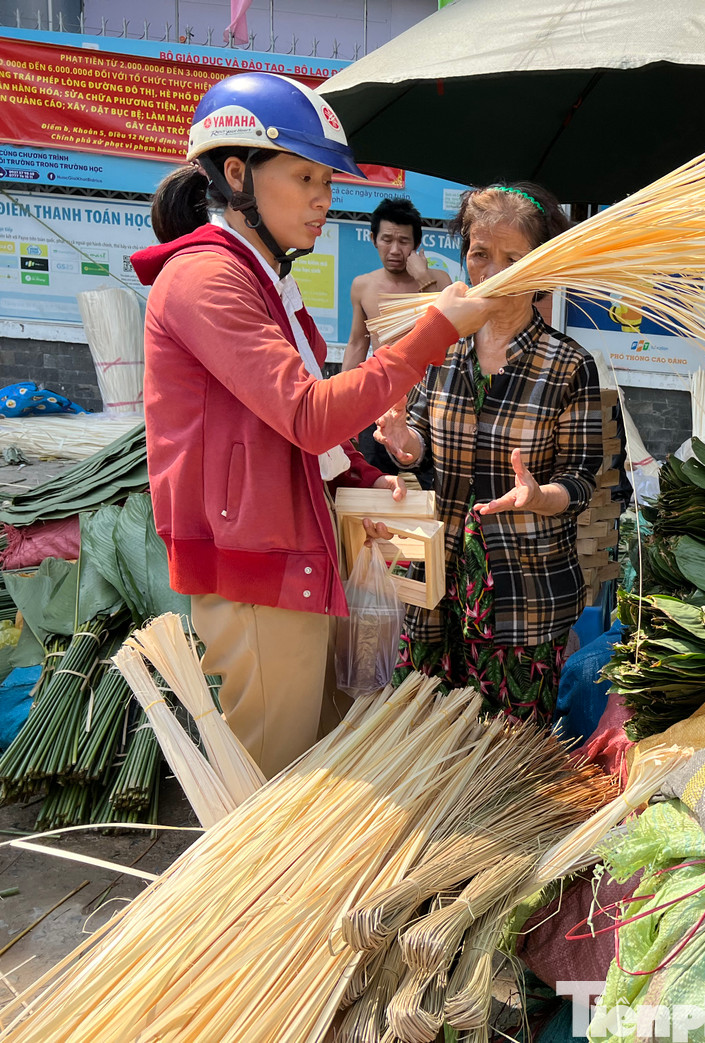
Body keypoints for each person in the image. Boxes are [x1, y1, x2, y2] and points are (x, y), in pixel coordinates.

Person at [133, 72, 499, 776]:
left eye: (327, 181)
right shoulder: (206, 278)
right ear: (236, 174)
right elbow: (306, 414)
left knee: (319, 766)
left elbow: (298, 424)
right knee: (272, 787)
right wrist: (432, 333)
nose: (323, 199)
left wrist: (358, 479)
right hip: (255, 564)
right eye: (305, 178)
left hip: (294, 546)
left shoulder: (264, 275)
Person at [373, 182, 605, 721]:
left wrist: (539, 496)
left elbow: (580, 479)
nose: (493, 271)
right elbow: (420, 441)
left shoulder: (569, 365)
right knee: (422, 733)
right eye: (480, 253)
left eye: (513, 259)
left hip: (523, 593)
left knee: (506, 750)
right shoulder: (439, 344)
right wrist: (404, 443)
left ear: (541, 267)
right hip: (436, 580)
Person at [345, 197, 446, 479]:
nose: (394, 250)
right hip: (380, 399)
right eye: (387, 239)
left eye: (403, 241)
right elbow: (357, 343)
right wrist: (344, 405)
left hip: (428, 400)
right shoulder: (363, 285)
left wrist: (423, 279)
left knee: (432, 483)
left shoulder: (439, 281)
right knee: (377, 480)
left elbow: (447, 331)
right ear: (373, 239)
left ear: (416, 244)